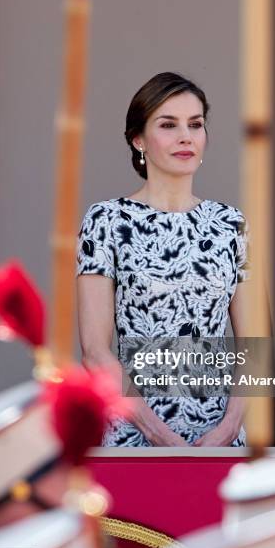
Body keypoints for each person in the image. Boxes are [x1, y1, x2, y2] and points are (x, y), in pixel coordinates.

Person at [76, 72, 250, 447]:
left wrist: (229, 427)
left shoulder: (231, 225)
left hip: (218, 438)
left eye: (196, 124)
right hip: (133, 436)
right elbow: (94, 349)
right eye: (168, 124)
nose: (186, 136)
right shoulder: (106, 221)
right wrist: (159, 433)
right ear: (139, 139)